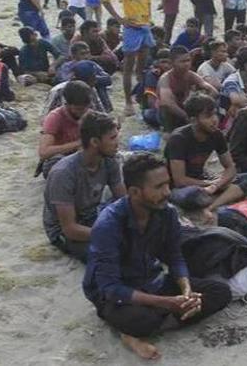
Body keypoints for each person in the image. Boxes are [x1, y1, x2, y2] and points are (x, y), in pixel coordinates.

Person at [83, 152, 231, 360]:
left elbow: (174, 256)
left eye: (167, 184)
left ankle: (156, 321)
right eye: (158, 187)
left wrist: (186, 291)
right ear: (134, 191)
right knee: (142, 319)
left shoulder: (166, 212)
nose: (167, 192)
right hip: (117, 294)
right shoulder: (108, 225)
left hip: (151, 280)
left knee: (220, 292)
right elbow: (110, 288)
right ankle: (132, 334)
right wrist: (168, 303)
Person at [43, 111, 125, 262]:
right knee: (110, 256)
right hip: (64, 230)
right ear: (94, 142)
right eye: (112, 138)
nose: (117, 142)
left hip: (93, 214)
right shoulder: (63, 173)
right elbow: (70, 229)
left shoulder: (109, 161)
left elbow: (124, 200)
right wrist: (112, 233)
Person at [167, 95, 247, 223]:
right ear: (194, 120)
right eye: (208, 116)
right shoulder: (178, 139)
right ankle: (225, 196)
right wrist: (209, 184)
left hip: (205, 182)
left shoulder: (216, 134)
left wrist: (216, 184)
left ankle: (211, 206)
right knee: (191, 195)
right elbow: (179, 180)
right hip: (182, 189)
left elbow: (230, 167)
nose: (214, 120)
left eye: (215, 114)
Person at [101, 0, 154, 116]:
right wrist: (120, 19)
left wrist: (149, 20)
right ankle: (127, 102)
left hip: (145, 27)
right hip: (132, 29)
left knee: (142, 67)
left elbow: (148, 2)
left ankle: (141, 97)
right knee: (128, 67)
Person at [38, 80, 93, 177]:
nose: (83, 112)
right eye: (78, 109)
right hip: (61, 157)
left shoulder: (89, 113)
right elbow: (44, 152)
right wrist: (78, 143)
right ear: (67, 104)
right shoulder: (55, 117)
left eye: (86, 108)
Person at [158, 46, 218, 133]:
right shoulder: (165, 79)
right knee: (165, 106)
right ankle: (168, 131)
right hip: (170, 114)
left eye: (188, 60)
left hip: (185, 110)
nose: (187, 64)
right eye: (182, 61)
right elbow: (168, 103)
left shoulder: (191, 75)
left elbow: (213, 91)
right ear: (172, 63)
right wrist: (187, 116)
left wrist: (202, 108)